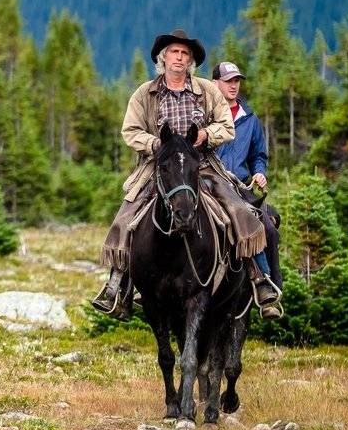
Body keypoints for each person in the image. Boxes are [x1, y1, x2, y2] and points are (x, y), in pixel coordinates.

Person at [90, 29, 282, 320]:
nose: (179, 58)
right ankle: (118, 286)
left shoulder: (207, 90)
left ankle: (260, 279)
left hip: (202, 164)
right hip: (159, 165)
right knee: (127, 216)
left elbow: (227, 127)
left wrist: (206, 134)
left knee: (240, 210)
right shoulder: (145, 93)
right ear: (162, 58)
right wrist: (155, 144)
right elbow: (130, 131)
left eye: (185, 54)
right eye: (174, 53)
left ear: (190, 61)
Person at [211, 61, 281, 290]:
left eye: (236, 81)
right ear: (215, 83)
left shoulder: (250, 119)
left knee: (268, 229)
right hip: (209, 181)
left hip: (241, 185)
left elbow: (258, 155)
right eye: (228, 81)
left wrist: (260, 172)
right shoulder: (204, 114)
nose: (233, 86)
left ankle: (268, 285)